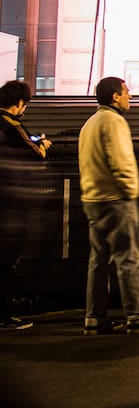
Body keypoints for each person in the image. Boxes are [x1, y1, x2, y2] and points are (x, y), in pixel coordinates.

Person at [79, 77, 139, 334]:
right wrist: (131, 191)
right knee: (129, 258)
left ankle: (94, 318)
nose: (130, 96)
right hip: (115, 199)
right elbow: (121, 162)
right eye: (127, 92)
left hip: (92, 199)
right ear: (115, 97)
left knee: (98, 261)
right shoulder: (113, 121)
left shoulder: (91, 122)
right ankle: (138, 317)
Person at [0, 80, 52, 330]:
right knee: (6, 262)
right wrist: (43, 145)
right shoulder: (11, 123)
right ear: (20, 103)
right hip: (9, 204)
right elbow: (34, 152)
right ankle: (3, 317)